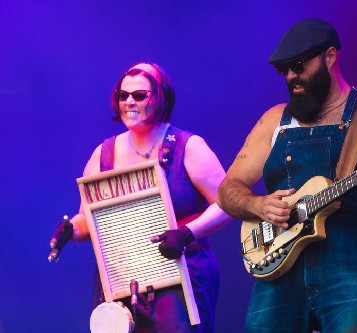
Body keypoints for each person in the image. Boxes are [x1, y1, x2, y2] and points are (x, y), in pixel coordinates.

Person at [217, 18, 357, 333]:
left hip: (348, 274)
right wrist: (257, 205)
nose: (292, 76)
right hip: (278, 273)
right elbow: (227, 189)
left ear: (330, 57)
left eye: (299, 66)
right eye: (285, 70)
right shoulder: (274, 121)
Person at [48, 62, 231, 332]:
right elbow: (88, 219)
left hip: (181, 278)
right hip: (121, 284)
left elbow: (229, 204)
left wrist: (187, 232)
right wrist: (69, 230)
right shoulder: (104, 154)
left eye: (139, 95)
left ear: (160, 97)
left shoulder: (188, 147)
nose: (129, 102)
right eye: (123, 96)